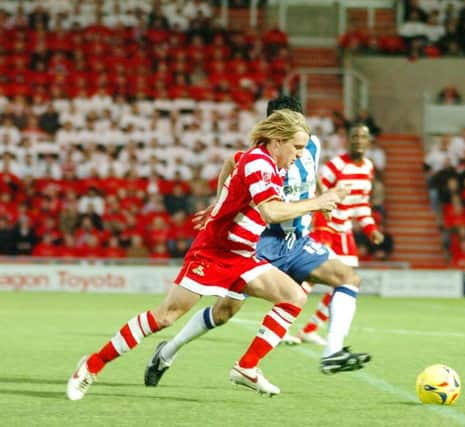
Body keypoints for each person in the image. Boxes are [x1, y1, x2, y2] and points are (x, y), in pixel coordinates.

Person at [66, 109, 346, 400]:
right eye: (296, 147)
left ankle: (246, 367)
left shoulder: (268, 160)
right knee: (165, 317)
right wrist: (317, 203)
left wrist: (220, 200)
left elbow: (231, 160)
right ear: (277, 141)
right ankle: (91, 365)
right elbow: (271, 211)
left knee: (294, 297)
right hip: (213, 251)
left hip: (243, 254)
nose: (300, 155)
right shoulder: (259, 163)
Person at [144, 96, 372, 390]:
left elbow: (312, 176)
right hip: (260, 242)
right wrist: (219, 204)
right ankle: (167, 351)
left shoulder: (310, 145)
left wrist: (321, 201)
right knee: (224, 312)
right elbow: (231, 163)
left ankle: (331, 352)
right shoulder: (257, 157)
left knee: (347, 277)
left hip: (296, 240)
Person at [297, 124, 384, 343]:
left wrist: (371, 229)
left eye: (362, 137)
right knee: (309, 278)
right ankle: (278, 327)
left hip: (344, 231)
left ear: (368, 141)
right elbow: (314, 191)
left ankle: (309, 329)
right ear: (348, 140)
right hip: (326, 227)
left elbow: (361, 204)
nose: (358, 140)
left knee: (344, 282)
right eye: (354, 136)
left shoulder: (368, 168)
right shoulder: (336, 166)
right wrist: (318, 223)